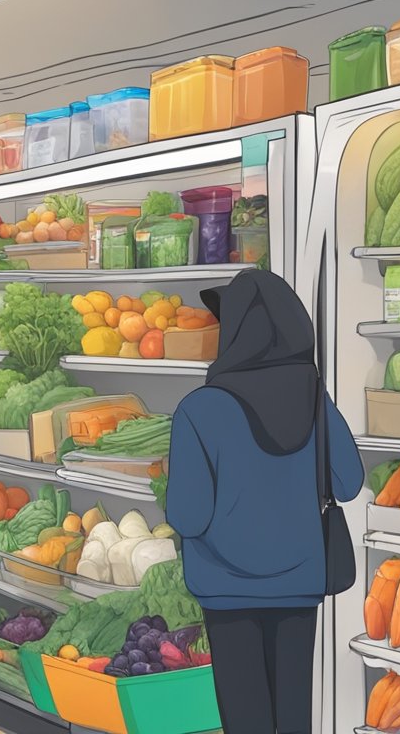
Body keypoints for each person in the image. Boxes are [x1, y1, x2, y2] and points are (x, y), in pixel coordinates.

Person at [166, 269, 363, 734]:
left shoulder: (199, 409)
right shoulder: (315, 398)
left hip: (225, 588)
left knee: (245, 717)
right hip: (299, 583)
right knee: (293, 715)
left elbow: (187, 516)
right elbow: (349, 482)